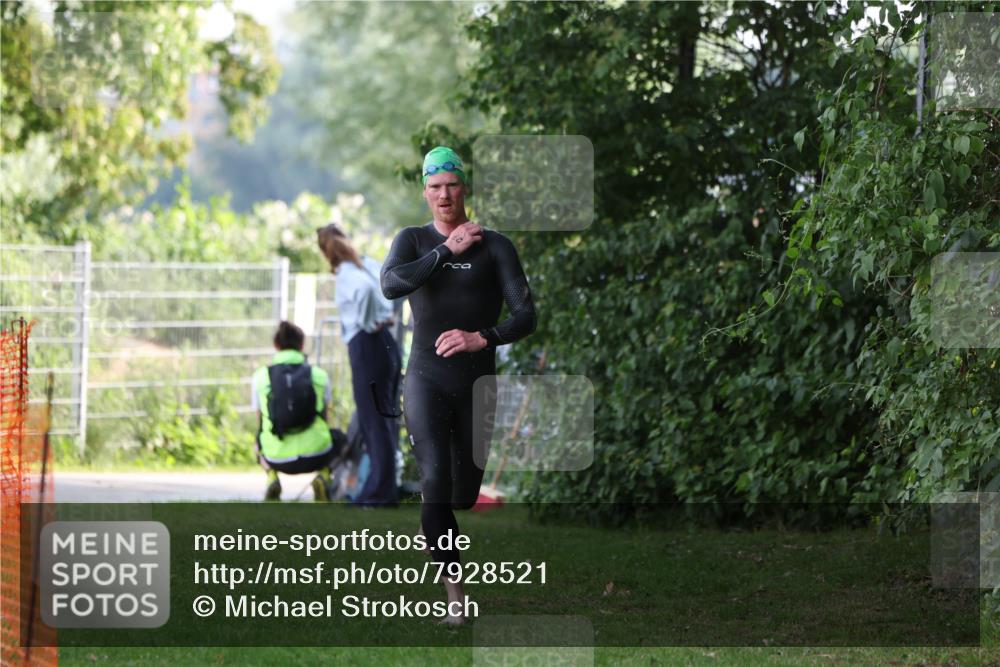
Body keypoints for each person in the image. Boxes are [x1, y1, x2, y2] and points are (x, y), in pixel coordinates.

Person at [381, 146, 537, 624]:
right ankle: (457, 599)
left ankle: (442, 521)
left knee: (464, 494)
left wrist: (479, 337)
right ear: (425, 192)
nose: (444, 195)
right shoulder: (412, 240)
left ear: (464, 187)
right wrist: (446, 250)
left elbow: (526, 316)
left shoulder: (496, 247)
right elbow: (391, 284)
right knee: (434, 485)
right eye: (434, 187)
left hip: (477, 384)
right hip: (425, 379)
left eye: (451, 185)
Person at [317, 223, 403, 506]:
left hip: (367, 346)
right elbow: (389, 285)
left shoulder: (347, 274)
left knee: (373, 421)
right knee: (386, 420)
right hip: (387, 345)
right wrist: (386, 315)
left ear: (325, 251)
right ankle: (385, 487)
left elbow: (365, 292)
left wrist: (369, 322)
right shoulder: (367, 264)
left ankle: (379, 493)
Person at [252, 320, 343, 502]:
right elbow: (326, 418)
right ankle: (323, 476)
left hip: (275, 457)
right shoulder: (319, 375)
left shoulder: (261, 376)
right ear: (302, 345)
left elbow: (260, 421)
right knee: (342, 439)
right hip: (317, 455)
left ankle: (272, 478)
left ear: (276, 345)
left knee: (258, 438)